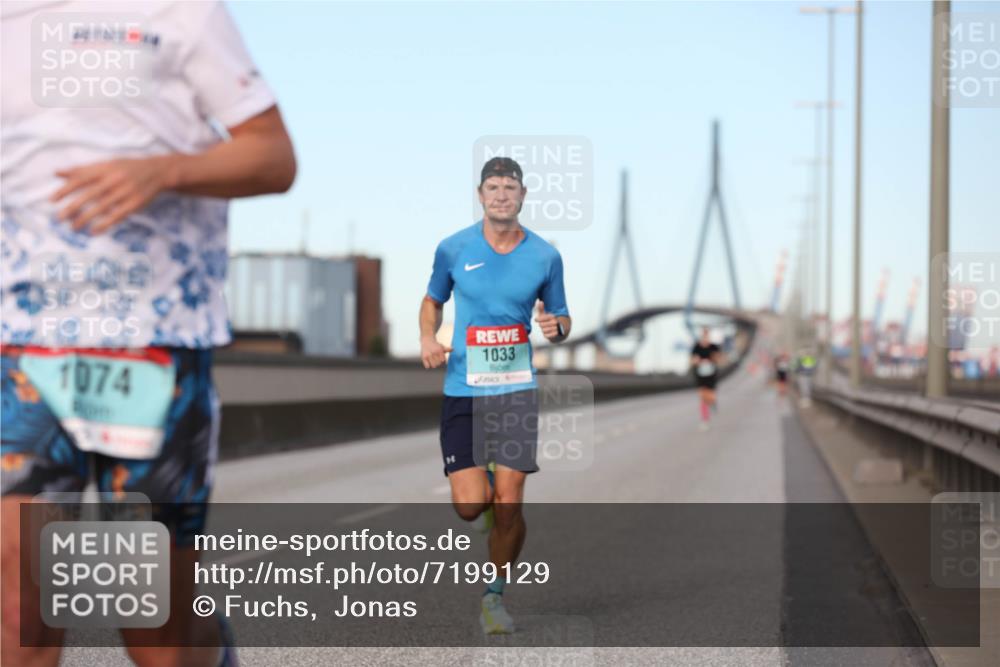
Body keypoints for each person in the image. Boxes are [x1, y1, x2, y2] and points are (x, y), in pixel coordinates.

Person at [1, 2, 296, 666]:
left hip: (154, 345)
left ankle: (206, 645)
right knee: (20, 613)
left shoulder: (181, 10)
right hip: (21, 348)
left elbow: (274, 156)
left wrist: (161, 171)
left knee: (156, 630)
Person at [419, 156, 571, 635]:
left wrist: (557, 327)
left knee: (510, 502)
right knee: (471, 506)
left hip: (516, 393)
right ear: (481, 196)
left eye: (510, 187)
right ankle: (486, 500)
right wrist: (428, 337)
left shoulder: (545, 256)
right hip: (464, 390)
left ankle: (494, 596)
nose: (502, 195)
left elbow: (563, 319)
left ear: (523, 196)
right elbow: (432, 301)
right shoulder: (453, 248)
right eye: (493, 187)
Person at [690, 327, 722, 431]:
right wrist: (697, 361)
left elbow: (719, 358)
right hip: (700, 375)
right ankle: (705, 420)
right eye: (703, 335)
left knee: (710, 397)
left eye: (706, 335)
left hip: (711, 375)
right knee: (702, 397)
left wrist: (712, 359)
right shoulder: (696, 347)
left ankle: (713, 403)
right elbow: (692, 360)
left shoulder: (714, 347)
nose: (705, 337)